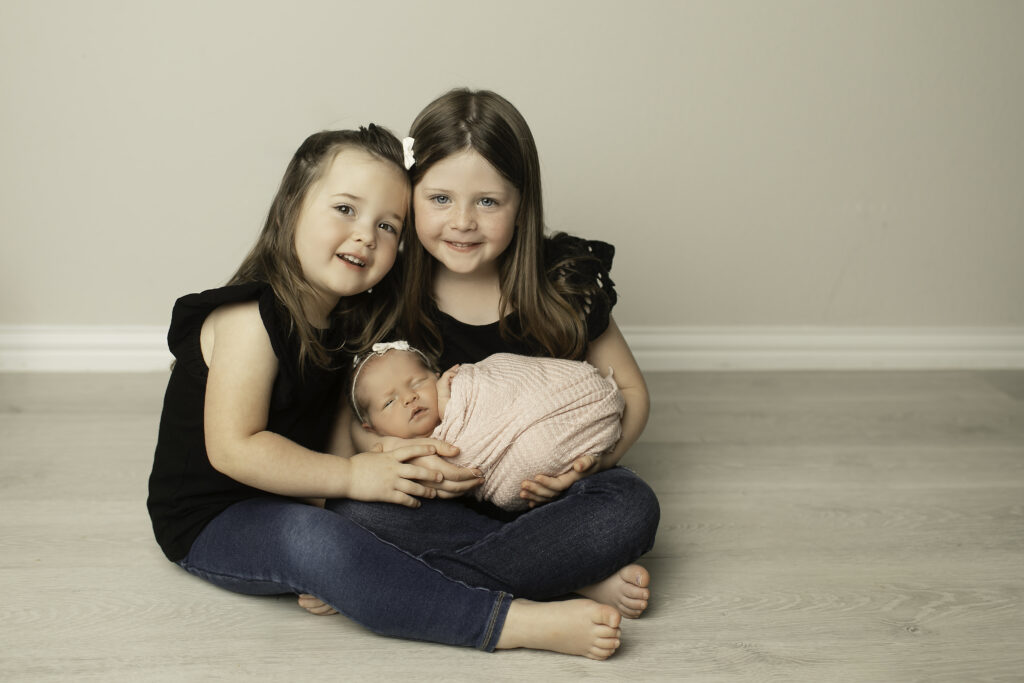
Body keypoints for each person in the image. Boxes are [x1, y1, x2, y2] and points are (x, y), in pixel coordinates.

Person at [146, 125, 625, 659]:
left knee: (419, 497)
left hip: (309, 488)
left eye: (388, 225)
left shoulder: (355, 318)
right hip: (218, 516)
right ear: (291, 207)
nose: (366, 235)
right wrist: (353, 475)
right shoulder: (247, 319)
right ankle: (512, 620)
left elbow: (346, 429)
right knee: (320, 541)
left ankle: (550, 568)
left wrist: (385, 452)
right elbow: (234, 447)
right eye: (345, 209)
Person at [323, 89, 660, 621]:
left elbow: (633, 392)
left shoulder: (563, 281)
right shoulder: (384, 292)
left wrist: (594, 464)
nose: (462, 222)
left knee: (630, 507)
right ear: (409, 197)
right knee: (354, 507)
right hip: (443, 501)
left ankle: (393, 580)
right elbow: (352, 425)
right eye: (439, 199)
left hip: (551, 496)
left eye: (487, 201)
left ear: (521, 202)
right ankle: (566, 575)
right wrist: (397, 455)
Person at [350, 341, 624, 511]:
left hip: (563, 427)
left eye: (417, 383)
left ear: (437, 376)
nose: (409, 398)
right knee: (365, 511)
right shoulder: (385, 453)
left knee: (628, 502)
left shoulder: (460, 387)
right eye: (389, 402)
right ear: (371, 427)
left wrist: (450, 403)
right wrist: (402, 451)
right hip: (472, 507)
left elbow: (504, 379)